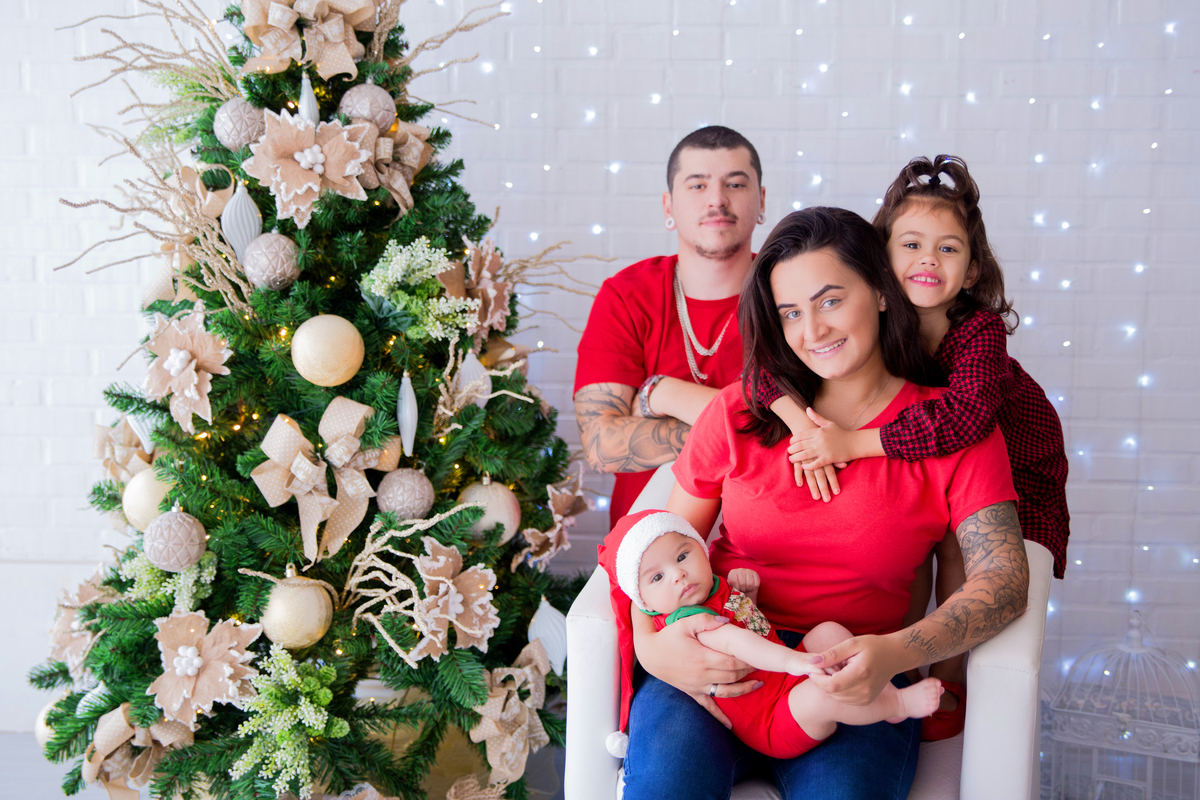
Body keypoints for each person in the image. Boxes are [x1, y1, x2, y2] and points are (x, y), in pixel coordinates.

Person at [622, 207, 1030, 800]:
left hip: (855, 680)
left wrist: (896, 652)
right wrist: (652, 649)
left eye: (830, 300)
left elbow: (1006, 580)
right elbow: (648, 547)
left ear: (882, 293)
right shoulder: (738, 413)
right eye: (791, 312)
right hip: (721, 660)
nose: (811, 331)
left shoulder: (951, 433)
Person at [755, 155, 1070, 739]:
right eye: (912, 244)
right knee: (914, 541)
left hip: (1019, 468)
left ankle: (948, 677)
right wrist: (800, 422)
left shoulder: (976, 333)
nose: (929, 259)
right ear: (880, 260)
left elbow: (965, 418)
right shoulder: (874, 323)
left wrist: (852, 441)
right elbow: (760, 375)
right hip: (944, 453)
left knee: (958, 543)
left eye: (949, 249)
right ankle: (901, 665)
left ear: (973, 271)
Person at [574, 126, 839, 526]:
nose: (717, 199)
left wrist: (661, 395)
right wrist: (755, 426)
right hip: (652, 551)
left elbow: (819, 427)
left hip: (773, 544)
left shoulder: (794, 296)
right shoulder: (626, 295)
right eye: (697, 185)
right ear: (669, 205)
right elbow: (601, 445)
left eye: (735, 183)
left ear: (762, 200)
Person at [599, 510, 944, 761]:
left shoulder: (714, 590)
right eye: (656, 578)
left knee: (830, 633)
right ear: (644, 603)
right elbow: (741, 643)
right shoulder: (691, 620)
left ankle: (879, 685)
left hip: (779, 682)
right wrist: (797, 661)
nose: (678, 575)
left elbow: (748, 624)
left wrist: (749, 600)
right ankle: (896, 704)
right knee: (821, 697)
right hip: (773, 720)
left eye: (683, 555)